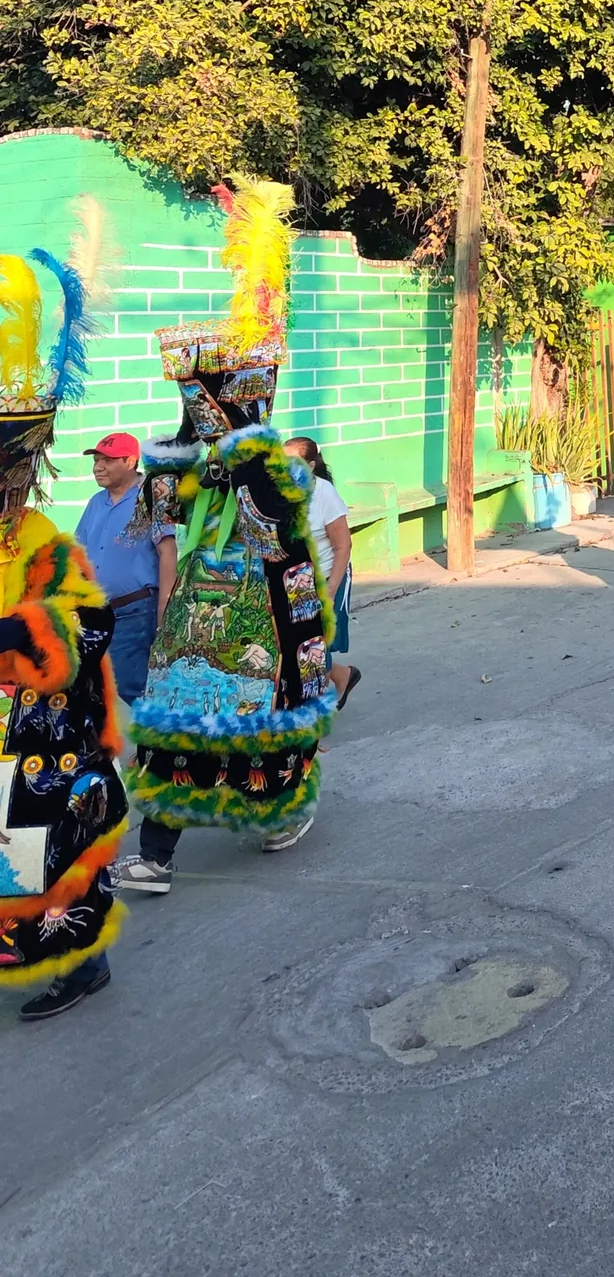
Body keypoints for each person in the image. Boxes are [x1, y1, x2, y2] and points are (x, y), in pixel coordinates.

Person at [116, 180, 336, 896]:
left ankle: (276, 816)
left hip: (264, 623)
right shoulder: (197, 464)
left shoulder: (272, 471)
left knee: (263, 725)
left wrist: (225, 449)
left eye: (215, 397)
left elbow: (266, 517)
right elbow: (156, 504)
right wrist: (188, 451)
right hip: (195, 625)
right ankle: (157, 853)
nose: (201, 413)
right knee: (175, 726)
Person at [0, 241, 128, 1019]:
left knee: (48, 857)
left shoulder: (41, 538)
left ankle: (82, 967)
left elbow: (90, 624)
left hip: (37, 738)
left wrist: (15, 634)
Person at [75, 432, 176, 703]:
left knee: (126, 692)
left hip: (135, 611)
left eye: (107, 461)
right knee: (94, 693)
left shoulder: (152, 497)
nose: (98, 467)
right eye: (96, 461)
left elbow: (167, 553)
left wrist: (164, 610)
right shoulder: (96, 503)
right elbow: (77, 556)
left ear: (130, 462)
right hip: (94, 615)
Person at [284, 437, 359, 707]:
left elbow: (343, 546)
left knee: (314, 649)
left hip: (327, 576)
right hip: (294, 582)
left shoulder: (323, 493)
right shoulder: (277, 492)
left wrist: (330, 589)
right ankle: (343, 675)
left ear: (311, 466)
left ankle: (310, 712)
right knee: (295, 646)